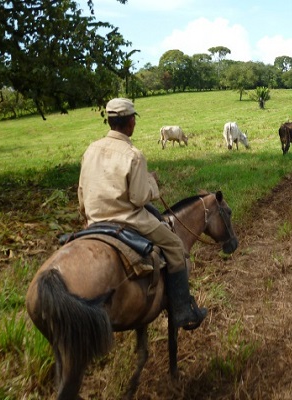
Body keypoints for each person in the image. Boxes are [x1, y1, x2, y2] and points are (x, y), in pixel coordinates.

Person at [77, 97, 207, 331]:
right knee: (176, 247)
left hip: (94, 220)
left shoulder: (90, 150)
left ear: (109, 121)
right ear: (130, 122)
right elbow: (138, 198)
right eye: (133, 119)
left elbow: (81, 193)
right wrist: (152, 185)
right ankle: (181, 310)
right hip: (129, 220)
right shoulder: (133, 155)